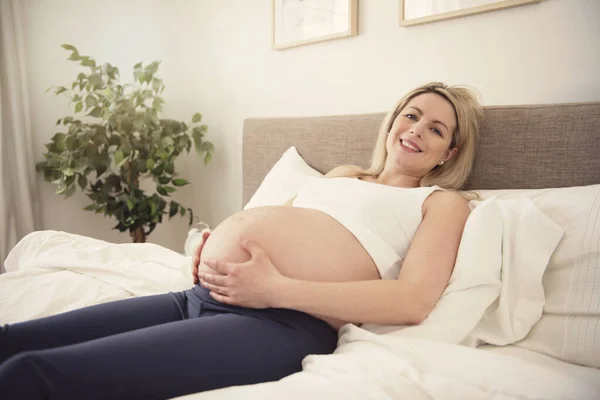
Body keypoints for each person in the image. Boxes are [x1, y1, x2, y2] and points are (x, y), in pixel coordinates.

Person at [0, 82, 483, 399]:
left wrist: (274, 290)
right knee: (14, 344)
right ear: (394, 118)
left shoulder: (440, 203)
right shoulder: (343, 174)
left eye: (435, 129)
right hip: (197, 297)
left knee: (35, 376)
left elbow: (413, 300)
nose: (416, 130)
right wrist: (213, 248)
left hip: (280, 324)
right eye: (412, 115)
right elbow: (277, 229)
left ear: (449, 152)